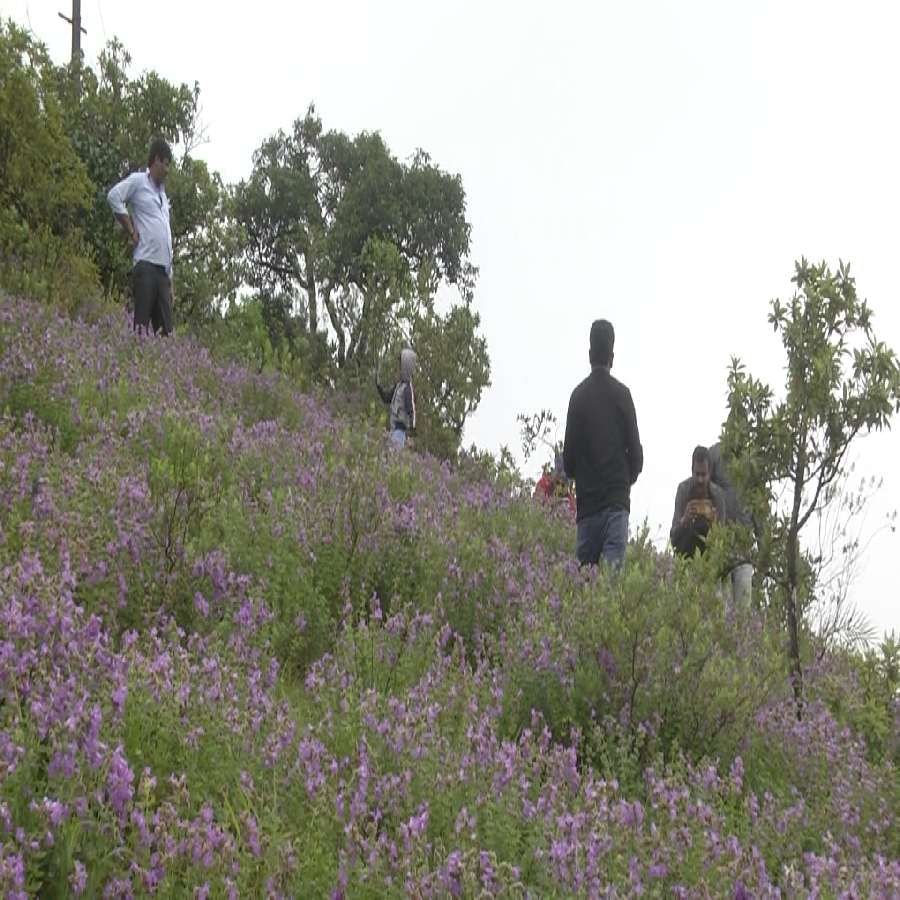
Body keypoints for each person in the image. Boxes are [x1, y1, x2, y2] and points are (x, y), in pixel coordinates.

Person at [563, 319, 643, 567]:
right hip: (616, 505)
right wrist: (621, 483)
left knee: (584, 586)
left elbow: (568, 462)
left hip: (587, 507)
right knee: (609, 589)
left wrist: (588, 480)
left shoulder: (578, 397)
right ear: (612, 355)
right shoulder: (622, 395)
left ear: (589, 355)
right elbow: (637, 457)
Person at [107, 137, 175, 336]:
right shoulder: (138, 181)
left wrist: (171, 280)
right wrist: (130, 229)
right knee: (141, 330)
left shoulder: (163, 197)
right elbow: (114, 197)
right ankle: (134, 365)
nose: (167, 170)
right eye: (166, 164)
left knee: (166, 335)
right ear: (156, 160)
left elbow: (167, 238)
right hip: (145, 266)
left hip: (163, 273)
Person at [709, 441, 754, 603]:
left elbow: (760, 504)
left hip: (744, 544)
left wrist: (763, 552)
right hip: (720, 541)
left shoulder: (752, 459)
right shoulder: (714, 454)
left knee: (744, 607)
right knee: (721, 607)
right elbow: (702, 486)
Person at [670, 445, 727, 558]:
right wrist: (684, 520)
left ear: (710, 473)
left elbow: (723, 540)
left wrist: (714, 524)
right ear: (692, 471)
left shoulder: (718, 495)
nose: (700, 480)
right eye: (697, 474)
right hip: (686, 552)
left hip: (710, 555)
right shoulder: (683, 490)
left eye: (703, 475)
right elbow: (673, 538)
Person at [376, 348, 417, 448]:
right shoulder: (399, 386)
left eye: (400, 366)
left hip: (399, 433)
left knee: (392, 459)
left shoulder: (407, 389)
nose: (398, 369)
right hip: (393, 430)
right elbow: (386, 398)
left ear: (405, 367)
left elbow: (411, 412)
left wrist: (411, 435)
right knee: (389, 460)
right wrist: (378, 385)